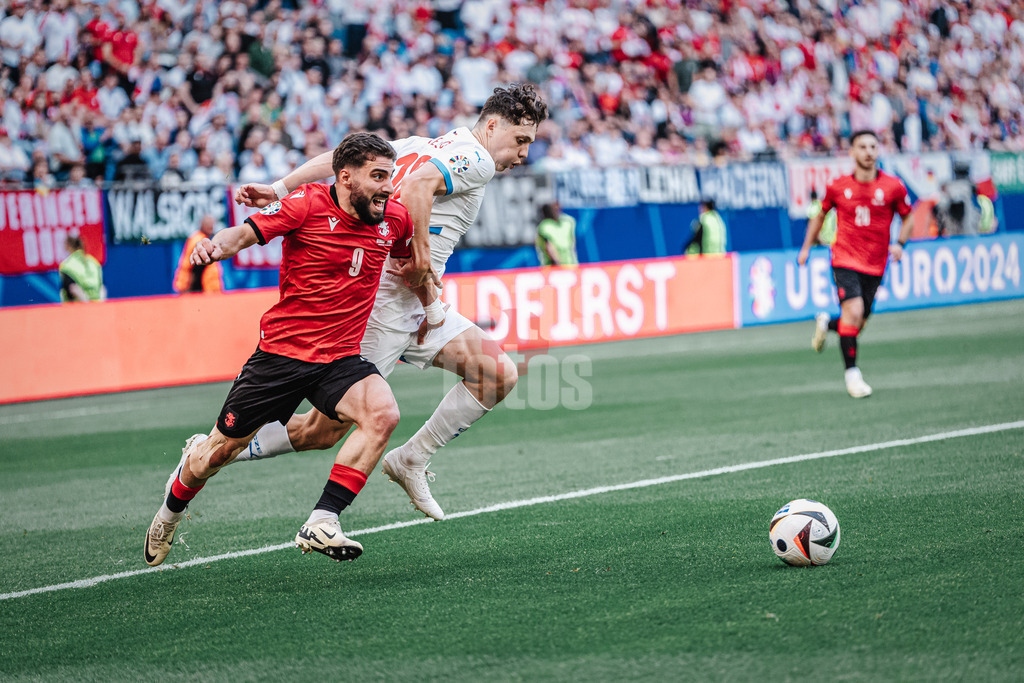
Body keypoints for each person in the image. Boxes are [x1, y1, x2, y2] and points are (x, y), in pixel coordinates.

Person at [231, 84, 548, 521]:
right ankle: (222, 450)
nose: (523, 154)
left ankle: (410, 459)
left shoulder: (426, 144)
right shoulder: (475, 159)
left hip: (415, 303)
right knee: (321, 432)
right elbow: (417, 188)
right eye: (521, 140)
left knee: (496, 373)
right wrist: (419, 260)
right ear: (492, 126)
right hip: (383, 306)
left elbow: (343, 159)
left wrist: (280, 185)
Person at [144, 133, 416, 567]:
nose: (388, 186)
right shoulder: (305, 204)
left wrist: (419, 312)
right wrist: (216, 247)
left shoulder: (396, 219)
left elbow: (406, 264)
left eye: (391, 176)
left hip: (340, 356)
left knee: (382, 414)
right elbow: (244, 235)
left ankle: (323, 520)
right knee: (215, 455)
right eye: (378, 176)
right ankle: (168, 513)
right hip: (281, 357)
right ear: (345, 178)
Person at [797, 130, 913, 399]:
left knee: (857, 321)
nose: (868, 151)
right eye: (862, 146)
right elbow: (819, 215)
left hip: (876, 264)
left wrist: (901, 243)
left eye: (873, 146)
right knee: (854, 309)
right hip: (845, 259)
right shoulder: (838, 187)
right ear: (852, 152)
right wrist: (806, 248)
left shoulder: (893, 187)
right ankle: (852, 376)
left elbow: (908, 217)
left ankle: (827, 324)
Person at [172, 215, 223, 293]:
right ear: (202, 225)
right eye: (208, 224)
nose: (211, 227)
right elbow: (195, 268)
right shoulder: (200, 241)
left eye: (212, 225)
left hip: (204, 288)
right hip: (199, 289)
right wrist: (190, 290)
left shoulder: (199, 238)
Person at [59, 234, 105, 302]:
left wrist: (86, 305)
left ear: (67, 246)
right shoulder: (94, 262)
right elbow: (102, 288)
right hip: (97, 307)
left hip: (76, 309)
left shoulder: (67, 265)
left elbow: (73, 288)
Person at [535, 202, 578, 266]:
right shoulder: (544, 226)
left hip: (570, 265)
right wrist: (558, 265)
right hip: (553, 268)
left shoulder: (568, 222)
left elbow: (573, 244)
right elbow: (549, 248)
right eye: (553, 207)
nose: (556, 208)